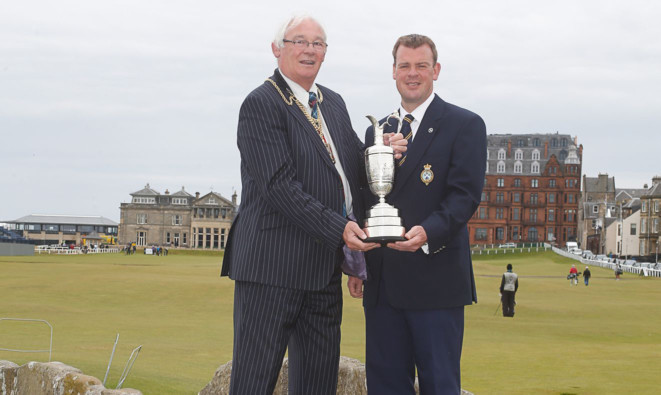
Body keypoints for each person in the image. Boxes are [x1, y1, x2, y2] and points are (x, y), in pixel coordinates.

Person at [220, 15, 405, 395]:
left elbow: (351, 166)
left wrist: (378, 152)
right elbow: (279, 187)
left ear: (325, 52)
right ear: (278, 49)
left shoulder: (332, 103)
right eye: (299, 41)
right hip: (270, 270)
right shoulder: (261, 104)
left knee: (317, 385)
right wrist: (340, 230)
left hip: (322, 271)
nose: (309, 49)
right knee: (253, 383)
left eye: (317, 43)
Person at [348, 34, 487, 394]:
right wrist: (358, 264)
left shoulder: (464, 124)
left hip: (436, 284)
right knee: (385, 386)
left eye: (421, 66)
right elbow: (365, 199)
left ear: (435, 70)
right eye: (405, 65)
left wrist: (427, 232)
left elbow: (465, 196)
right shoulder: (375, 132)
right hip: (383, 286)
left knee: (439, 385)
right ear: (393, 71)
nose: (413, 73)